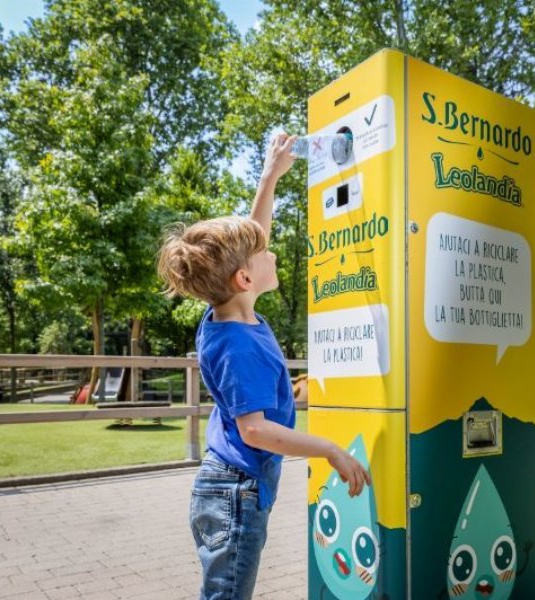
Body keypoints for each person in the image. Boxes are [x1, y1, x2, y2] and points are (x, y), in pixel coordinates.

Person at [156, 133, 370, 600]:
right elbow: (254, 430)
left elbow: (253, 236)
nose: (272, 249)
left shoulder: (229, 311)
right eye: (265, 252)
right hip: (236, 494)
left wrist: (270, 175)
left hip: (230, 489)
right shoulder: (238, 346)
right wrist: (329, 449)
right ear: (245, 278)